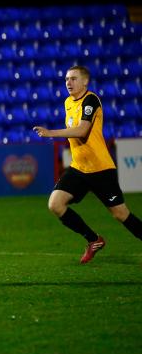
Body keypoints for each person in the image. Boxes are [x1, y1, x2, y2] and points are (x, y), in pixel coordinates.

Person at [33, 65, 142, 263]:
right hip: (79, 168)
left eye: (73, 78)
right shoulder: (67, 102)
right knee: (55, 204)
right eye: (66, 79)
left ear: (85, 81)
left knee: (120, 214)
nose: (68, 82)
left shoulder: (91, 100)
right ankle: (93, 240)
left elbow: (82, 130)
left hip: (100, 169)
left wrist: (52, 133)